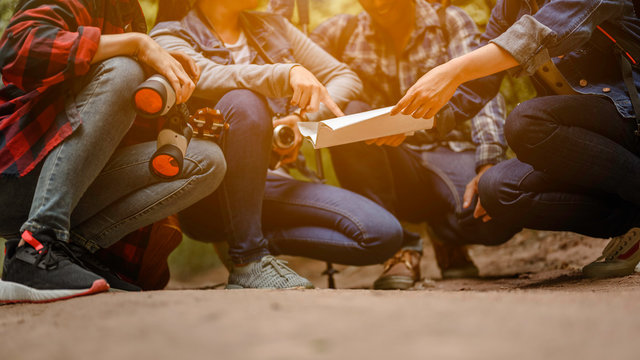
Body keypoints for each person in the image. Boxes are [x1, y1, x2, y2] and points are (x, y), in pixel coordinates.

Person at [150, 0, 404, 289]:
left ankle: (245, 237)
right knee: (245, 102)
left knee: (382, 235)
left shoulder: (274, 26)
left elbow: (345, 77)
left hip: (272, 183)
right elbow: (205, 76)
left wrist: (300, 118)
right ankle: (248, 261)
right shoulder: (168, 36)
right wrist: (286, 73)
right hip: (211, 196)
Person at [392, 0, 640, 278]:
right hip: (586, 141)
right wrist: (411, 121)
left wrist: (451, 70)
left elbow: (538, 34)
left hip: (629, 117)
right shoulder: (509, 8)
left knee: (526, 123)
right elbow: (478, 85)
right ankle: (631, 224)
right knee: (497, 189)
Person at [0, 0, 227, 303]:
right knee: (124, 69)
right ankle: (37, 247)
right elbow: (18, 47)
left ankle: (69, 254)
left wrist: (162, 89)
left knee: (207, 161)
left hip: (66, 181)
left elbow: (104, 124)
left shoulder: (127, 14)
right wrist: (135, 46)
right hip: (14, 172)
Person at [310, 0, 520, 289]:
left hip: (451, 149)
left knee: (494, 220)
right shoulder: (342, 32)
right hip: (391, 160)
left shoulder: (449, 22)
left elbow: (482, 88)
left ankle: (445, 234)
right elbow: (285, 51)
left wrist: (489, 162)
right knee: (351, 113)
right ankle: (400, 248)